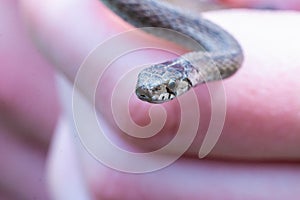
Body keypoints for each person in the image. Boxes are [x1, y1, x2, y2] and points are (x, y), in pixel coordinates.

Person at [2, 0, 300, 199]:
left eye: (166, 88)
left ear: (188, 80)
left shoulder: (224, 56)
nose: (148, 94)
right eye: (152, 86)